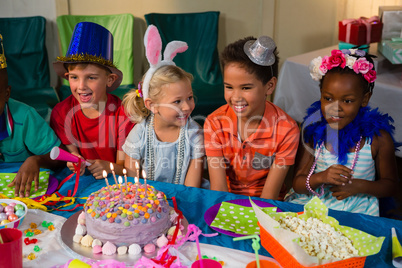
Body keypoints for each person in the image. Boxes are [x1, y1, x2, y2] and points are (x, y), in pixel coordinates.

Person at [285, 49, 400, 216]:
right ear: (321, 95)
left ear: (365, 99)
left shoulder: (377, 139)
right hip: (316, 207)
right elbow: (298, 183)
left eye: (347, 101)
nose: (335, 108)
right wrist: (321, 177)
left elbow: (391, 186)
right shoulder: (314, 135)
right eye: (328, 98)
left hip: (358, 211)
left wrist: (359, 186)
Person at [204, 36, 299, 200]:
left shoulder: (287, 130)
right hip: (227, 200)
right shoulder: (214, 123)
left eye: (246, 88)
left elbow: (269, 195)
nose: (236, 97)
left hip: (265, 205)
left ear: (269, 86)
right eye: (229, 87)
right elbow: (218, 188)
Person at [122, 25, 204, 187]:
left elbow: (191, 187)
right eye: (177, 101)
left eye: (189, 97)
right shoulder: (139, 134)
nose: (187, 106)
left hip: (183, 199)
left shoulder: (194, 134)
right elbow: (132, 182)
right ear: (152, 105)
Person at [50, 22, 134, 179]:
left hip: (116, 182)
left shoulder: (124, 115)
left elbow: (124, 167)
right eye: (74, 77)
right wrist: (74, 161)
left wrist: (110, 167)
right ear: (67, 77)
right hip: (83, 181)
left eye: (91, 77)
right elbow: (73, 153)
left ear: (109, 80)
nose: (81, 86)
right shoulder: (61, 113)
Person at [0, 34, 62, 197]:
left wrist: (36, 160)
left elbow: (58, 156)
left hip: (24, 192)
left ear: (7, 94)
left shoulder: (25, 117)